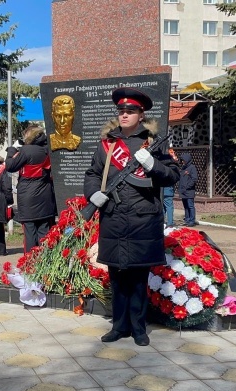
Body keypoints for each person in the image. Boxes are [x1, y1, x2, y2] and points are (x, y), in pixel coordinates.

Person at [84, 87, 180, 346]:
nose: (124, 115)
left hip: (142, 219)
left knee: (138, 278)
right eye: (121, 111)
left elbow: (172, 175)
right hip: (113, 217)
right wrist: (93, 194)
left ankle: (138, 328)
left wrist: (153, 165)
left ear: (141, 113)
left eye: (131, 111)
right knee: (116, 276)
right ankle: (119, 326)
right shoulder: (108, 144)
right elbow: (92, 173)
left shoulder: (154, 142)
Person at [5, 125, 56, 251]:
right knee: (44, 232)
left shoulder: (26, 150)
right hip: (45, 195)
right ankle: (45, 263)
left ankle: (30, 263)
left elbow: (10, 166)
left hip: (28, 196)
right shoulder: (48, 149)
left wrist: (11, 151)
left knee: (29, 232)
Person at [179, 152, 198, 226]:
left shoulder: (192, 167)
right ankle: (187, 219)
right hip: (183, 191)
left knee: (190, 206)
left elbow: (194, 179)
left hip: (189, 191)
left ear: (187, 160)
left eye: (183, 160)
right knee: (185, 206)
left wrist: (187, 186)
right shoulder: (183, 168)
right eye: (182, 160)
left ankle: (192, 220)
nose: (182, 162)